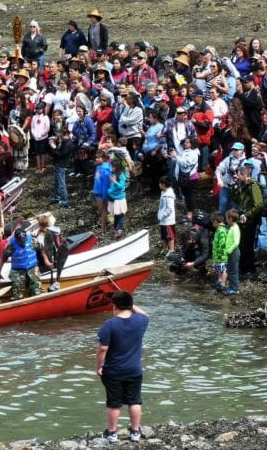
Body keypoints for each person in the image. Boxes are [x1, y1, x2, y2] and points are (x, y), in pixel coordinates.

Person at [96, 291, 149, 444]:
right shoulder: (141, 321)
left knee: (114, 402)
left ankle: (112, 433)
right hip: (135, 369)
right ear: (131, 305)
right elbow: (145, 314)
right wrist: (132, 305)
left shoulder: (109, 324)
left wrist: (99, 367)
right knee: (135, 400)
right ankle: (135, 432)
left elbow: (102, 349)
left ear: (114, 306)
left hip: (114, 370)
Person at [231, 160, 264, 278]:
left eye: (238, 175)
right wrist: (234, 187)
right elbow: (236, 199)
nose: (236, 176)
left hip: (250, 219)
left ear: (243, 175)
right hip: (242, 218)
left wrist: (248, 214)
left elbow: (259, 204)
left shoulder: (253, 185)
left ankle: (249, 269)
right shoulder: (242, 185)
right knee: (241, 243)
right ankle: (242, 267)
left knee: (248, 244)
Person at [0, 227, 42, 300]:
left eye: (24, 240)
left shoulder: (32, 240)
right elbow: (3, 259)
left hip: (33, 269)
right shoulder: (11, 246)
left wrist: (46, 261)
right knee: (17, 294)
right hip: (18, 272)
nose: (23, 242)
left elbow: (41, 248)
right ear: (16, 239)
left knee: (37, 292)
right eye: (20, 241)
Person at [157, 176, 177, 258]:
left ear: (163, 184)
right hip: (163, 220)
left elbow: (170, 208)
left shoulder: (169, 195)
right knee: (164, 235)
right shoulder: (164, 193)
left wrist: (163, 215)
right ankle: (165, 248)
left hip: (168, 220)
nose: (159, 185)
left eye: (160, 183)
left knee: (170, 235)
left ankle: (171, 250)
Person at [223, 209, 242, 296]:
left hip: (234, 252)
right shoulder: (232, 227)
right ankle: (232, 287)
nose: (226, 220)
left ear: (230, 219)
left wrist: (229, 250)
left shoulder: (235, 228)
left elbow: (236, 242)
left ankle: (235, 289)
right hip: (231, 252)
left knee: (233, 271)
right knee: (230, 270)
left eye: (227, 219)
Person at [93, 150, 112, 232]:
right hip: (97, 191)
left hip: (101, 193)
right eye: (96, 158)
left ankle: (103, 228)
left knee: (103, 211)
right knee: (102, 210)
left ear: (103, 158)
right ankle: (105, 224)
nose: (96, 159)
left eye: (98, 158)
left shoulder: (105, 169)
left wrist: (104, 197)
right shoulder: (98, 166)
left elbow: (105, 184)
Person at [211, 211, 231, 292]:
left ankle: (222, 283)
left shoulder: (222, 229)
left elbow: (222, 242)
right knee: (219, 268)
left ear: (215, 221)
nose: (212, 224)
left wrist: (219, 251)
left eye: (212, 222)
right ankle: (219, 281)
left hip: (222, 254)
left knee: (223, 269)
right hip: (218, 254)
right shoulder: (219, 229)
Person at [108, 160, 128, 238]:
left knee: (121, 215)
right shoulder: (113, 174)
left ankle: (120, 229)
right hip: (113, 198)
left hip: (120, 199)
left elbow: (122, 187)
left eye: (112, 166)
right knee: (116, 214)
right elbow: (111, 186)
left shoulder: (122, 175)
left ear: (116, 167)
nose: (111, 168)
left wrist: (115, 182)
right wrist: (109, 191)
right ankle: (115, 228)